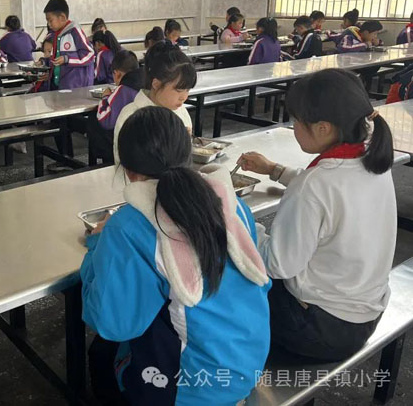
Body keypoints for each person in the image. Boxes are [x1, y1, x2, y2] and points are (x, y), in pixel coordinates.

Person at [83, 105, 270, 405]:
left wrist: (97, 244)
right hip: (248, 365)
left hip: (188, 389)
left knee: (102, 353)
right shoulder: (232, 205)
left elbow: (113, 324)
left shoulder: (129, 226)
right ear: (188, 155)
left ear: (127, 169)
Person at [238, 69, 395, 361]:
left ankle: (241, 368)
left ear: (323, 128)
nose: (293, 127)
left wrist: (243, 222)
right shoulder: (371, 155)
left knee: (233, 275)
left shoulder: (314, 185)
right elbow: (332, 194)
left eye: (296, 121)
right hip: (364, 314)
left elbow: (277, 265)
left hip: (318, 328)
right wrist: (275, 170)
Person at [114, 41, 196, 162]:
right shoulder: (130, 116)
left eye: (187, 90)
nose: (184, 97)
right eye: (179, 90)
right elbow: (125, 163)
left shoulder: (181, 112)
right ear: (156, 84)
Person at [88, 50, 143, 163]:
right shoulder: (145, 81)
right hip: (141, 138)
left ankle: (99, 163)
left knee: (93, 119)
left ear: (117, 74)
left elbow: (106, 120)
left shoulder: (123, 89)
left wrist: (105, 96)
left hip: (125, 143)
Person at [41, 0, 94, 90]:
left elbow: (89, 54)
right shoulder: (57, 35)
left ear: (62, 17)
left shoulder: (75, 31)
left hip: (76, 88)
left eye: (50, 20)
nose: (49, 24)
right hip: (62, 86)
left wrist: (67, 59)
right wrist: (44, 62)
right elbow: (56, 58)